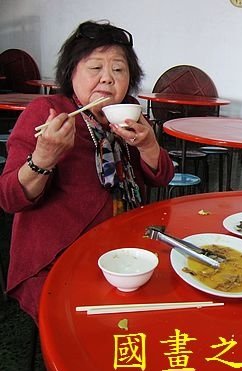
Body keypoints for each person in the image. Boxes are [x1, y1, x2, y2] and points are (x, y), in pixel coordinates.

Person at [0, 20, 175, 322]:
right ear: (72, 73)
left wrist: (148, 145)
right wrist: (43, 159)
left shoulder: (128, 111)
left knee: (164, 308)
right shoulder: (47, 112)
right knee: (92, 327)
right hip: (57, 259)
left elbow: (162, 176)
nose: (108, 79)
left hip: (126, 246)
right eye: (96, 69)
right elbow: (9, 199)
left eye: (118, 70)